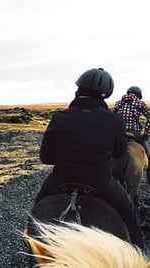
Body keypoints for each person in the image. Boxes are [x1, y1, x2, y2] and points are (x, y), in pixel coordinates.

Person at [33, 67, 144, 249]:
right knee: (129, 213)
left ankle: (31, 241)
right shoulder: (114, 120)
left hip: (61, 179)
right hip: (101, 183)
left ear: (78, 89)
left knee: (37, 207)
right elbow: (119, 153)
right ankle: (139, 250)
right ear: (105, 95)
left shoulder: (59, 117)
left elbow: (45, 157)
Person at [113, 86, 150, 181]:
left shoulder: (118, 103)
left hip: (119, 133)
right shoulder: (140, 103)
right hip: (135, 133)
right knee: (148, 155)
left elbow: (113, 117)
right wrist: (146, 133)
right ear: (138, 95)